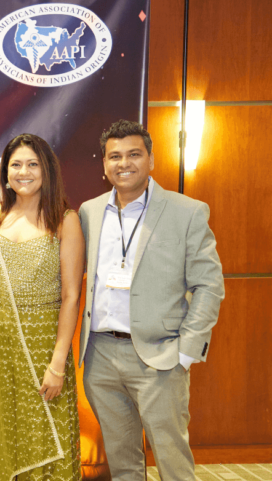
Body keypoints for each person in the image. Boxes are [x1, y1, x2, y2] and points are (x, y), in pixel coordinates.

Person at [78, 120, 224, 481]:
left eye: (134, 154)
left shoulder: (187, 211)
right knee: (123, 464)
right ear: (104, 163)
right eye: (115, 156)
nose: (124, 163)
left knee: (173, 464)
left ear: (151, 159)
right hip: (100, 356)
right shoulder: (89, 212)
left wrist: (186, 352)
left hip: (161, 358)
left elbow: (209, 285)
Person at [0, 134, 84, 481]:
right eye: (16, 164)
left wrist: (58, 363)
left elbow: (71, 296)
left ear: (47, 171)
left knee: (44, 437)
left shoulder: (65, 220)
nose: (24, 172)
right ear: (5, 173)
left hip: (43, 350)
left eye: (33, 164)